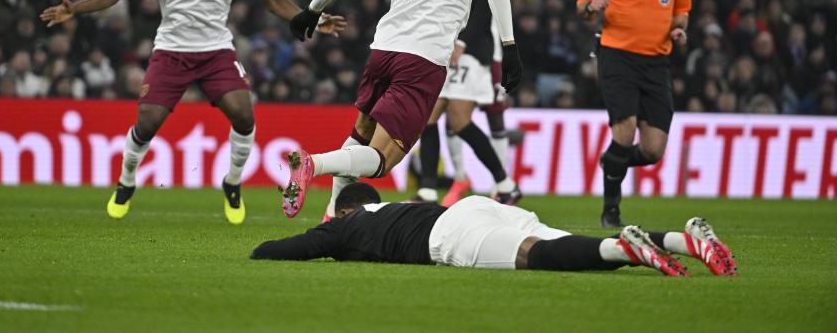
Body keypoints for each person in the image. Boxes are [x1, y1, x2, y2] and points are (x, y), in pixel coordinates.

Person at [40, 0, 345, 225]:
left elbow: (272, 0)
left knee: (244, 115)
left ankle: (232, 182)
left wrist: (310, 18)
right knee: (146, 124)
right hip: (171, 52)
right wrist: (77, 8)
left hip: (216, 52)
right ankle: (127, 180)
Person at [282, 0, 523, 220]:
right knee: (381, 161)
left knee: (360, 135)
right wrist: (510, 45)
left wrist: (311, 10)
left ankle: (332, 217)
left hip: (383, 49)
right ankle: (312, 163)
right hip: (423, 58)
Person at [433, 0, 586, 206]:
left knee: (489, 120)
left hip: (487, 58)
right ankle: (462, 178)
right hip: (450, 51)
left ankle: (499, 186)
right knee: (449, 118)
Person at [251, 183, 737, 278]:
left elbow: (285, 249)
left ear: (345, 209)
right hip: (475, 205)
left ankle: (625, 249)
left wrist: (261, 250)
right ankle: (679, 239)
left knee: (534, 257)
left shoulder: (346, 226)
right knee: (558, 241)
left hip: (448, 235)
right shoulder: (399, 203)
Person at [577, 0, 691, 227]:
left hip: (657, 60)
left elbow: (681, 7)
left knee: (654, 150)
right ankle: (611, 209)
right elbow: (583, 6)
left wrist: (679, 28)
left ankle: (612, 162)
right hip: (617, 55)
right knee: (624, 133)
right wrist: (591, 7)